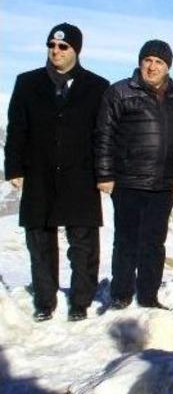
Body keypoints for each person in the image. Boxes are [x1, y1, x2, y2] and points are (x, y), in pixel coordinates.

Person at [5, 23, 109, 322]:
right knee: (39, 240)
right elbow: (17, 129)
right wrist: (14, 168)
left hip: (81, 174)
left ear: (76, 49)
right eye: (51, 45)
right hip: (38, 172)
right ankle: (44, 300)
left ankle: (81, 300)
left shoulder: (97, 86)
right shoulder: (27, 83)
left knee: (84, 243)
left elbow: (103, 134)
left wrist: (104, 172)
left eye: (63, 46)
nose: (56, 51)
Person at [95, 39, 173, 310]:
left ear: (168, 66)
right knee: (126, 240)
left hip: (162, 182)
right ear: (139, 62)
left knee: (155, 242)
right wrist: (104, 174)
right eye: (148, 60)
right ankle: (121, 295)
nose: (152, 66)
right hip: (128, 179)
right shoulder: (120, 92)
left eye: (159, 62)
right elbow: (104, 135)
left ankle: (149, 295)